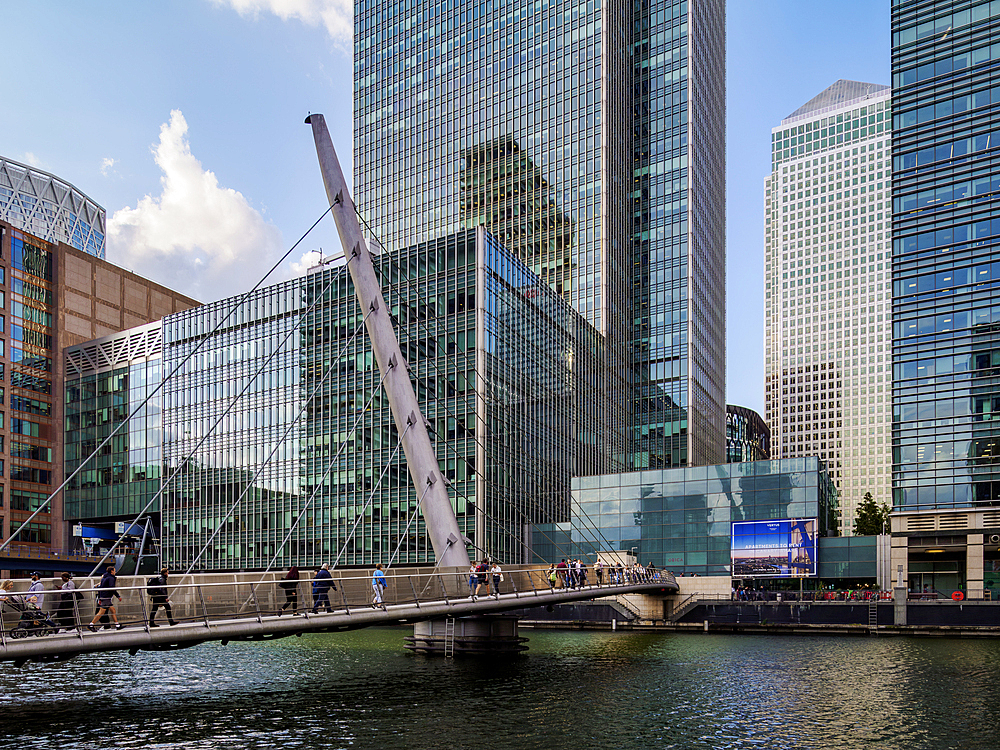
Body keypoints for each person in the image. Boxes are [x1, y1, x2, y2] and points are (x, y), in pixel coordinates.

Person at [88, 565, 124, 631]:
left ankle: (117, 625)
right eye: (114, 570)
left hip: (104, 597)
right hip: (106, 597)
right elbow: (112, 588)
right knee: (101, 612)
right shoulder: (111, 578)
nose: (115, 572)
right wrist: (118, 596)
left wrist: (99, 597)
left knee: (113, 610)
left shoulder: (104, 578)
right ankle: (91, 624)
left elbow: (101, 588)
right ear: (111, 571)